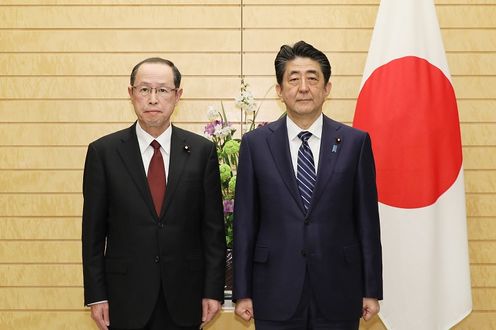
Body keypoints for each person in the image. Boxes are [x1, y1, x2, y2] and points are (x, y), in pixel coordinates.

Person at [233, 41, 383, 329]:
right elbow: (245, 223)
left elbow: (367, 221)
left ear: (327, 88)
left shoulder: (355, 143)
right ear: (279, 90)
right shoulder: (255, 144)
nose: (303, 87)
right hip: (273, 291)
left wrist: (371, 289)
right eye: (293, 79)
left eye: (313, 78)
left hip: (339, 288)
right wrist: (243, 292)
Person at [82, 57, 226, 330]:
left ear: (177, 95)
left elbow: (213, 231)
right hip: (124, 297)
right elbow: (92, 234)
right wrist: (96, 295)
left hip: (185, 295)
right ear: (131, 94)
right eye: (144, 89)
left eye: (162, 90)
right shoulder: (104, 153)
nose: (152, 99)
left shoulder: (201, 152)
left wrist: (212, 290)